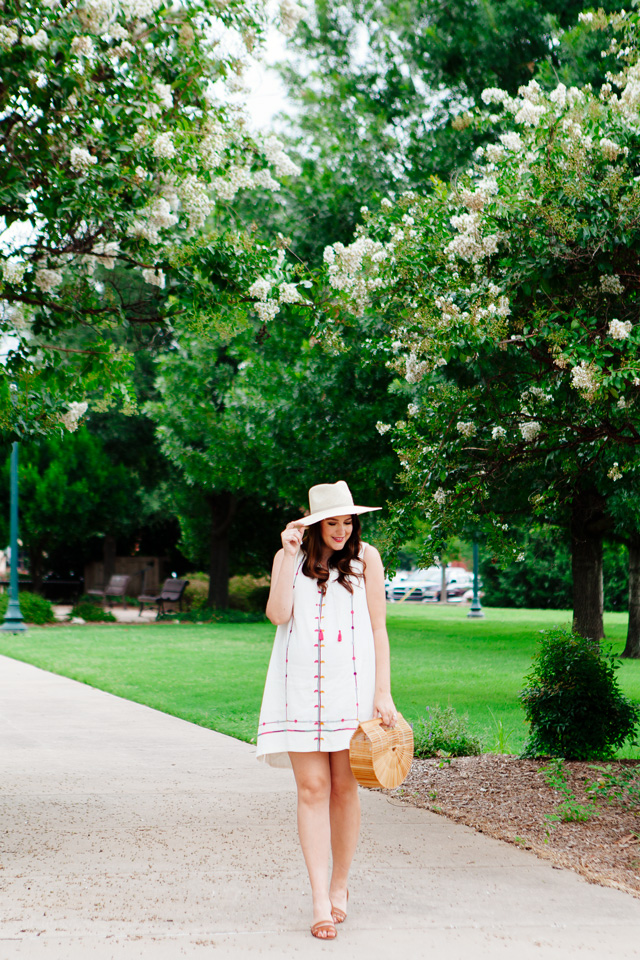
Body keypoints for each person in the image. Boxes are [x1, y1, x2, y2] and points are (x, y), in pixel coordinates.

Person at [257, 481, 397, 940]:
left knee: (344, 787)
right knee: (312, 788)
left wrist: (384, 693)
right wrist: (285, 553)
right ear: (315, 523)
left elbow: (378, 629)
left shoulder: (367, 559)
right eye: (332, 522)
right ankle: (319, 899)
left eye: (348, 520)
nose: (342, 530)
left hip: (352, 690)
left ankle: (341, 885)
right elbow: (278, 614)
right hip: (299, 688)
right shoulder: (290, 558)